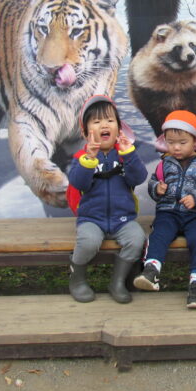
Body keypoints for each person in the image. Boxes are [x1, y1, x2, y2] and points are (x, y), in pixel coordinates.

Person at [133, 110, 196, 309]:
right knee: (159, 235)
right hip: (168, 212)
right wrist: (157, 188)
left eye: (182, 143)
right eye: (171, 142)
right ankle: (151, 270)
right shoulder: (164, 162)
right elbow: (153, 183)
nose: (176, 147)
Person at [67, 95, 148, 304]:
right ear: (86, 132)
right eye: (96, 121)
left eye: (110, 120)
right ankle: (77, 279)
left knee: (137, 239)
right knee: (88, 242)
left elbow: (138, 177)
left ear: (119, 129)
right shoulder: (82, 158)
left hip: (123, 219)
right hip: (92, 218)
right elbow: (78, 183)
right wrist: (89, 159)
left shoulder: (124, 155)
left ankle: (118, 281)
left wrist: (129, 154)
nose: (104, 124)